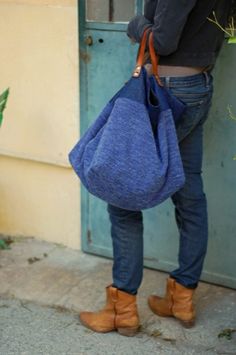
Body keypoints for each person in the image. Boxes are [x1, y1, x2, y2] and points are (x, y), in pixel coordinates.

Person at [79, 0, 233, 336]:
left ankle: (122, 310)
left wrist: (136, 23)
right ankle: (182, 298)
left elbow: (162, 42)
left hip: (164, 91)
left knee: (121, 198)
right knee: (190, 190)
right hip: (197, 86)